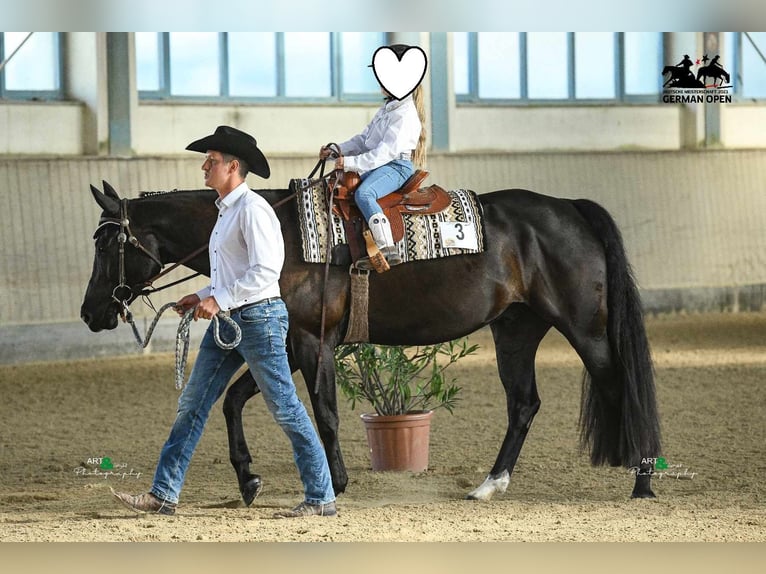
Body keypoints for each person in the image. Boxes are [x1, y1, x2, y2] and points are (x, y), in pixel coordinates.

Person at [112, 125, 337, 518]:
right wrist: (201, 296)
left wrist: (219, 299)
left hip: (259, 319)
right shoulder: (227, 212)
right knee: (193, 404)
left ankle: (321, 497)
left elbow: (266, 270)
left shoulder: (252, 211)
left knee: (285, 407)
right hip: (232, 319)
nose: (204, 167)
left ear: (233, 166)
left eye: (211, 162)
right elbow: (230, 274)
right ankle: (164, 493)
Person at [320, 43, 427, 270]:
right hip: (381, 162)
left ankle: (387, 249)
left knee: (365, 193)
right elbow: (363, 141)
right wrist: (336, 151)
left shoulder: (405, 115)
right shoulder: (387, 110)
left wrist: (350, 163)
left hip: (396, 166)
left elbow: (385, 152)